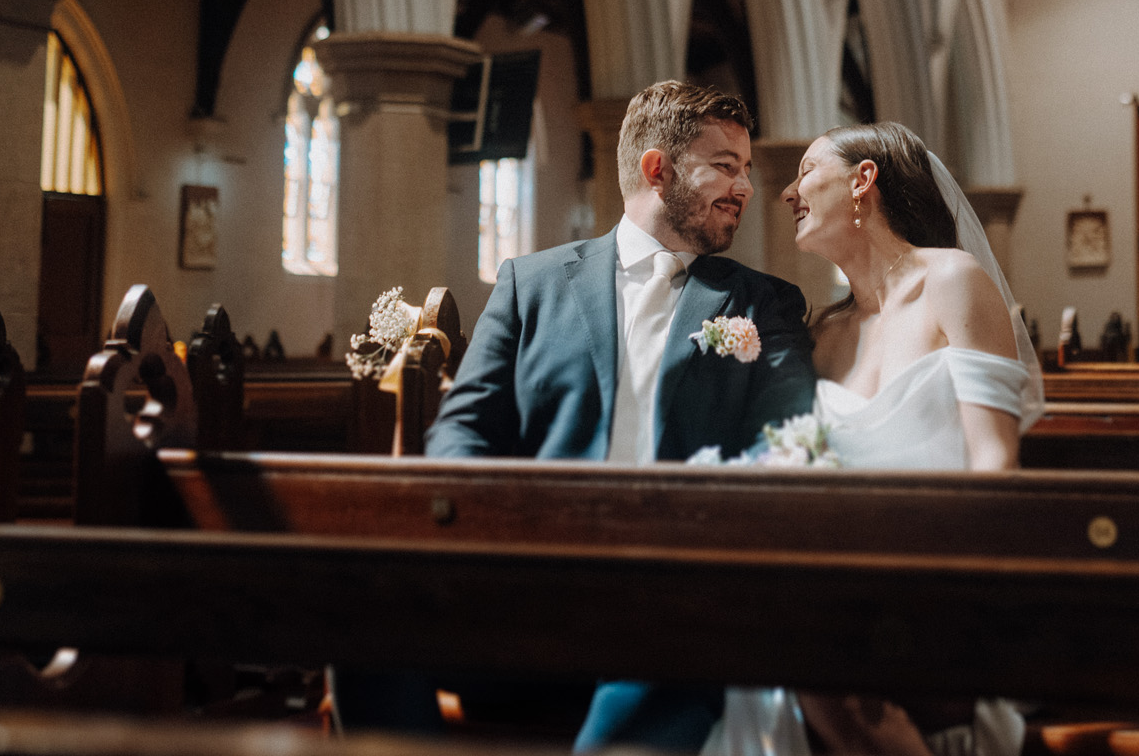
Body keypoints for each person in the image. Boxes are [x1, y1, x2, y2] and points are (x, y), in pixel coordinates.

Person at [426, 80, 817, 752]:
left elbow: (783, 442)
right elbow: (461, 427)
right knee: (353, 632)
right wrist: (496, 537)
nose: (745, 187)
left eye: (746, 169)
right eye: (725, 165)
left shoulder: (766, 305)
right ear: (656, 169)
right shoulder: (530, 283)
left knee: (675, 651)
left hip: (676, 595)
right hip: (533, 585)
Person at [702, 121, 1043, 756]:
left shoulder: (952, 281)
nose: (786, 191)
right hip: (838, 576)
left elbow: (996, 460)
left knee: (799, 648)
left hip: (942, 570)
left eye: (806, 170)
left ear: (864, 181)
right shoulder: (824, 335)